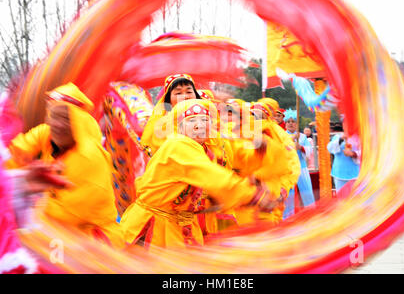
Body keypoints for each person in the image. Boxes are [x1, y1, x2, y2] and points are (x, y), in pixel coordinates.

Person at [120, 99, 279, 249]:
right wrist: (253, 195)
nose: (199, 125)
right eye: (191, 121)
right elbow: (214, 177)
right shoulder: (178, 145)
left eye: (204, 120)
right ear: (180, 127)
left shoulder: (204, 150)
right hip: (154, 228)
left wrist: (249, 183)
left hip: (181, 226)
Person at [6, 83, 123, 248]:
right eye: (54, 116)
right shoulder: (47, 133)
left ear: (79, 122)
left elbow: (69, 215)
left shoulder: (89, 156)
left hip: (89, 240)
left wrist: (25, 198)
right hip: (53, 229)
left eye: (67, 118)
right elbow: (16, 152)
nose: (58, 124)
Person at [140, 74, 201, 156]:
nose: (185, 96)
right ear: (168, 100)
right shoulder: (162, 126)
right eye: (178, 93)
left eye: (189, 92)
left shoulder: (209, 120)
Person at [283, 109, 315, 219]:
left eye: (293, 121)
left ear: (296, 123)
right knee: (288, 194)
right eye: (288, 121)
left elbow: (309, 151)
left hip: (302, 168)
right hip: (288, 169)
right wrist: (291, 143)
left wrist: (300, 147)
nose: (291, 123)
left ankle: (311, 215)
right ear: (285, 123)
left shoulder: (302, 136)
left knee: (307, 192)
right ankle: (287, 217)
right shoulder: (281, 136)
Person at [327, 125, 361, 196]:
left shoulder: (358, 138)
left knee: (355, 198)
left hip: (354, 173)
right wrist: (341, 139)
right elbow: (329, 148)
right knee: (341, 199)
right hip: (339, 172)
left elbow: (365, 152)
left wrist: (353, 154)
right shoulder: (337, 137)